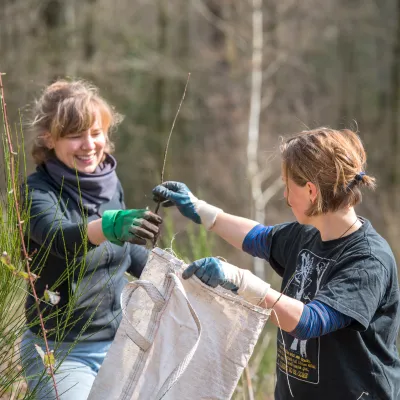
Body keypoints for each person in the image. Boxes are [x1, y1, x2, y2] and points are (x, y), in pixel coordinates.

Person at [152, 128, 400, 400]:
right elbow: (258, 237)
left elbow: (310, 321)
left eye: (287, 185)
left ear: (311, 191)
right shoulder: (307, 234)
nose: (285, 196)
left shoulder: (368, 260)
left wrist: (243, 282)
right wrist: (200, 210)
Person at [20, 80, 162, 400]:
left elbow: (130, 255)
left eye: (95, 133)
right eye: (75, 135)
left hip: (120, 345)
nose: (88, 144)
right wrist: (108, 226)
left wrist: (183, 276)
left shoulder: (110, 184)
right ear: (49, 138)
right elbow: (59, 239)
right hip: (58, 351)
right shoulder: (37, 192)